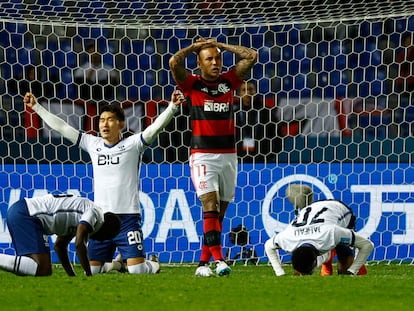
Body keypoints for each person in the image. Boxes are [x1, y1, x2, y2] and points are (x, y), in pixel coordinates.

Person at [23, 89, 186, 275]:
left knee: (138, 271)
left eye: (109, 119)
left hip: (128, 218)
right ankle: (118, 264)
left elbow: (155, 128)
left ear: (121, 124)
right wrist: (36, 107)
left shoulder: (133, 144)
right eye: (101, 120)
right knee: (94, 270)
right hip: (100, 221)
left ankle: (153, 264)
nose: (104, 124)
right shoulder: (92, 144)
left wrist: (172, 107)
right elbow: (62, 127)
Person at [169, 38, 258, 276]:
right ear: (199, 63)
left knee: (219, 214)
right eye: (209, 59)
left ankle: (202, 264)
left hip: (229, 156)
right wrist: (194, 47)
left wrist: (221, 45)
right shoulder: (192, 84)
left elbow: (251, 55)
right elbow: (174, 61)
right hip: (202, 155)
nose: (215, 62)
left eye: (217, 58)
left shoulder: (229, 82)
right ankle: (220, 261)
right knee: (209, 204)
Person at [264, 184, 374, 276]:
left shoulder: (333, 233)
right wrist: (280, 273)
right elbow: (268, 246)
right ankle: (328, 257)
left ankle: (330, 256)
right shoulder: (288, 238)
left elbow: (367, 245)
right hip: (315, 218)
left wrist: (352, 271)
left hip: (338, 210)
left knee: (344, 269)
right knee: (300, 271)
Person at [0, 193, 120, 277]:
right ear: (107, 231)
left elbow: (60, 246)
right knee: (43, 268)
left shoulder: (81, 217)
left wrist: (72, 275)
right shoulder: (95, 214)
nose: (103, 240)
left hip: (24, 211)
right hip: (27, 214)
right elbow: (79, 244)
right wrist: (89, 274)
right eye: (108, 237)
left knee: (37, 268)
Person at [234, 80, 279, 163]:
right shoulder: (234, 114)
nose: (248, 93)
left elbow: (278, 136)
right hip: (238, 161)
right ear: (239, 93)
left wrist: (269, 156)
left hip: (262, 161)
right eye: (244, 90)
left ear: (256, 92)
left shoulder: (267, 113)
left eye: (251, 89)